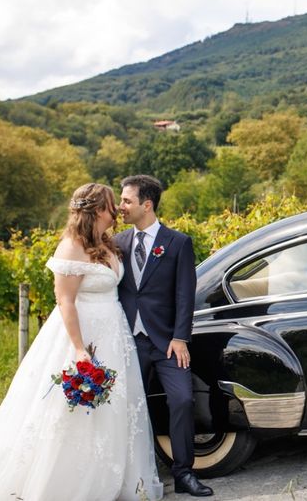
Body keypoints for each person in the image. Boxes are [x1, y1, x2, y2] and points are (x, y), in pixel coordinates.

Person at [0, 183, 163, 501]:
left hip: (114, 335)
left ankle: (112, 476)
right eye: (113, 205)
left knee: (112, 409)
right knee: (71, 413)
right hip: (82, 335)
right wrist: (80, 349)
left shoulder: (109, 243)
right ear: (97, 210)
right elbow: (65, 301)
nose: (118, 210)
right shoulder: (72, 246)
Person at [115, 175, 212, 497]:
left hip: (169, 343)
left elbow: (186, 294)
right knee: (128, 407)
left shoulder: (177, 243)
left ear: (147, 204)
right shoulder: (117, 243)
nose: (121, 206)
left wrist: (181, 337)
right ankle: (130, 474)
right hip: (129, 342)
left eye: (126, 200)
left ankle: (184, 473)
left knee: (183, 400)